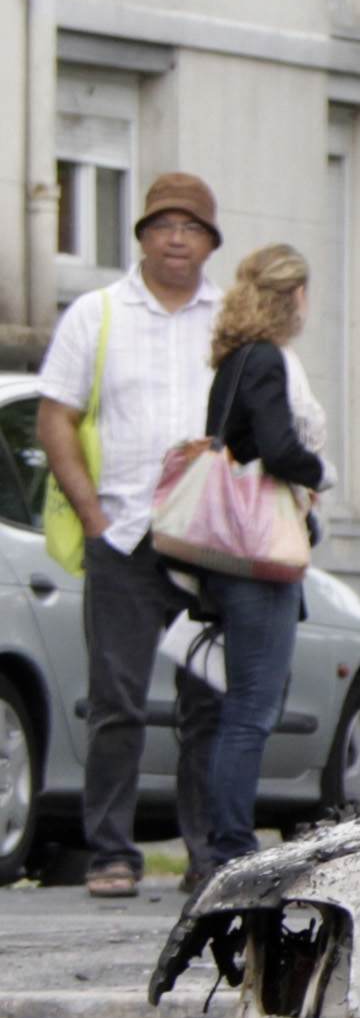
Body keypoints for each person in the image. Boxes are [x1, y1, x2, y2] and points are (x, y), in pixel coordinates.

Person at [35, 175, 228, 899]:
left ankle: (205, 851)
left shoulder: (230, 317)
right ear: (142, 236)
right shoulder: (98, 313)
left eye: (192, 227)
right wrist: (91, 518)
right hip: (124, 534)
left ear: (210, 242)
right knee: (116, 699)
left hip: (210, 542)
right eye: (163, 225)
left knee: (208, 697)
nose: (177, 238)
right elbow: (56, 414)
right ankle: (111, 851)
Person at [180, 247, 328, 900]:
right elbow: (276, 446)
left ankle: (223, 843)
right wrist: (318, 473)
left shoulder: (233, 361)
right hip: (259, 557)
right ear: (292, 296)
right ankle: (232, 846)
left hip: (229, 553)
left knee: (238, 704)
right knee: (251, 708)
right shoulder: (266, 360)